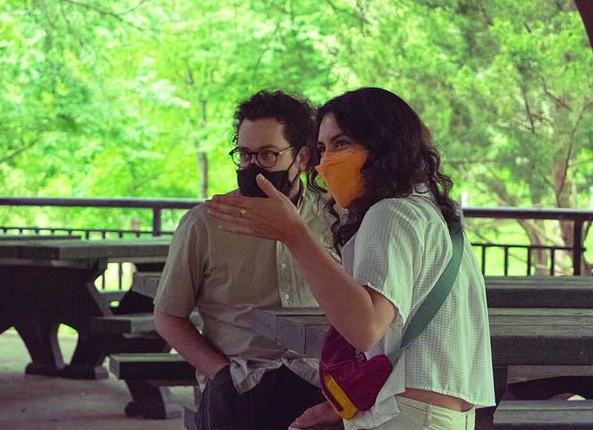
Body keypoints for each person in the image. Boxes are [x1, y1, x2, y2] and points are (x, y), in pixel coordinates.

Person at [207, 87, 495, 430]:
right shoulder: (432, 213)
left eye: (341, 143)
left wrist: (294, 235)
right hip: (438, 414)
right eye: (322, 148)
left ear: (384, 144)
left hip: (409, 417)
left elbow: (365, 327)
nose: (327, 160)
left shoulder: (390, 214)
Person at [154, 90, 336, 430]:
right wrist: (220, 373)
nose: (252, 166)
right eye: (244, 154)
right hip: (240, 380)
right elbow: (168, 315)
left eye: (267, 155)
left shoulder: (335, 217)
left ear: (301, 157)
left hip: (324, 381)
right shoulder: (205, 223)